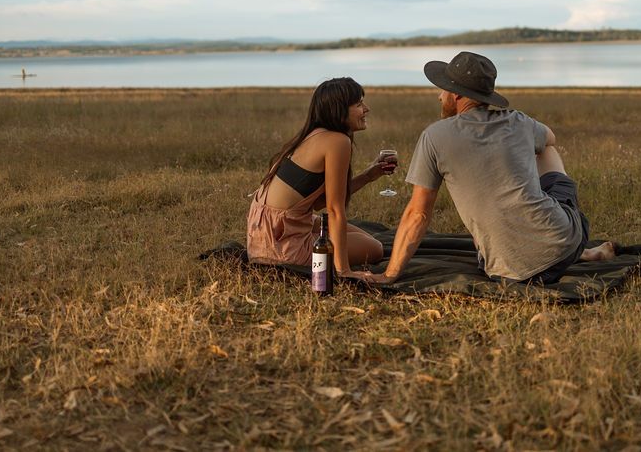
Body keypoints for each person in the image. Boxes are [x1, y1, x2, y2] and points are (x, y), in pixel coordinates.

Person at [362, 51, 614, 285]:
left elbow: (418, 214)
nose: (439, 96)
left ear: (456, 95)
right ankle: (579, 250)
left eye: (443, 89)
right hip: (564, 247)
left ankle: (574, 249)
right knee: (546, 149)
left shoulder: (434, 136)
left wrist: (389, 274)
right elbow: (550, 138)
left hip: (505, 272)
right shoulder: (518, 120)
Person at [246, 77, 395, 275]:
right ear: (338, 110)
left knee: (362, 238)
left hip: (266, 236)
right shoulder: (338, 141)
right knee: (375, 248)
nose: (366, 109)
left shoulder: (314, 134)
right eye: (359, 104)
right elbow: (334, 209)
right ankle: (335, 262)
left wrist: (368, 176)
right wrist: (344, 271)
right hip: (282, 247)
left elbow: (318, 203)